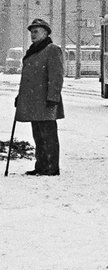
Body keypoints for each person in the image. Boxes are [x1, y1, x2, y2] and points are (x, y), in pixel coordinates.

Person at [14, 18, 64, 176]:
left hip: (47, 100)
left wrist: (53, 97)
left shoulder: (52, 49)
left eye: (36, 31)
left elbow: (56, 76)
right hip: (34, 101)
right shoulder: (33, 51)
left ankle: (51, 167)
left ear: (45, 32)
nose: (32, 35)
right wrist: (20, 96)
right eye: (31, 32)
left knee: (48, 135)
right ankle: (41, 165)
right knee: (38, 135)